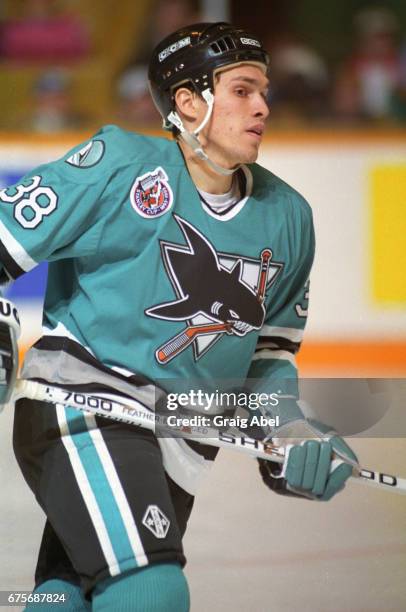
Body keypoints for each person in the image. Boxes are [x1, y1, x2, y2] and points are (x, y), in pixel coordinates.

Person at [0, 22, 358, 611]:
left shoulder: (289, 217)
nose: (263, 106)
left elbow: (266, 361)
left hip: (181, 438)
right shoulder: (119, 164)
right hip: (82, 408)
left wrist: (293, 432)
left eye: (264, 91)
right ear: (189, 102)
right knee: (152, 590)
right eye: (242, 90)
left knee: (66, 597)